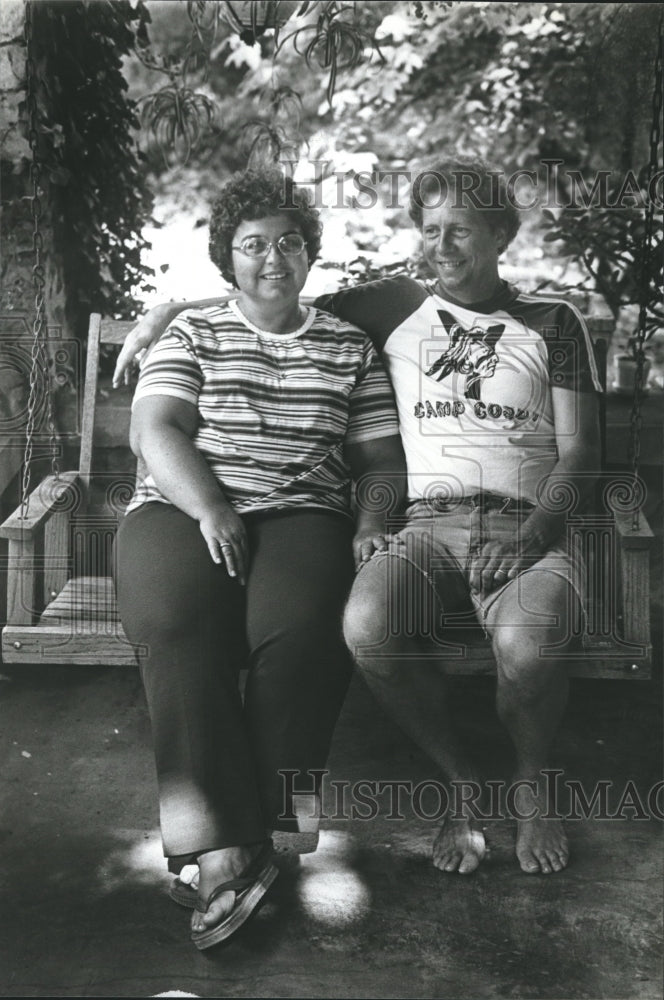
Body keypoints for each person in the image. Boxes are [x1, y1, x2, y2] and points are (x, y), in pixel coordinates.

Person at [114, 156, 601, 878]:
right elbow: (262, 295)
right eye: (429, 229)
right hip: (425, 529)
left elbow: (580, 455)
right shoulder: (397, 303)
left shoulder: (552, 322)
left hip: (522, 526)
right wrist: (163, 313)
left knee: (515, 650)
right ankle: (453, 783)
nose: (441, 246)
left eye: (460, 230)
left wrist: (533, 536)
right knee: (360, 626)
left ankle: (529, 785)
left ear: (500, 233)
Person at [113, 167, 405, 950]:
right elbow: (158, 429)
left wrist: (372, 523)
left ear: (311, 254)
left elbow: (379, 463)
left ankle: (259, 836)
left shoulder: (348, 346)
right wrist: (211, 507)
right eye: (252, 245)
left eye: (289, 242)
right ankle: (221, 851)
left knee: (306, 627)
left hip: (305, 510)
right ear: (226, 260)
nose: (272, 258)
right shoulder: (194, 333)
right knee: (177, 626)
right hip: (182, 505)